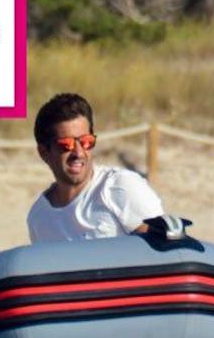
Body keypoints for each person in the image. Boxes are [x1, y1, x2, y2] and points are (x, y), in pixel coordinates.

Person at [27, 92, 165, 243]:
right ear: (44, 152)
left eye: (86, 141)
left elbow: (163, 253)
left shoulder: (120, 187)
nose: (79, 153)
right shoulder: (39, 217)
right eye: (66, 145)